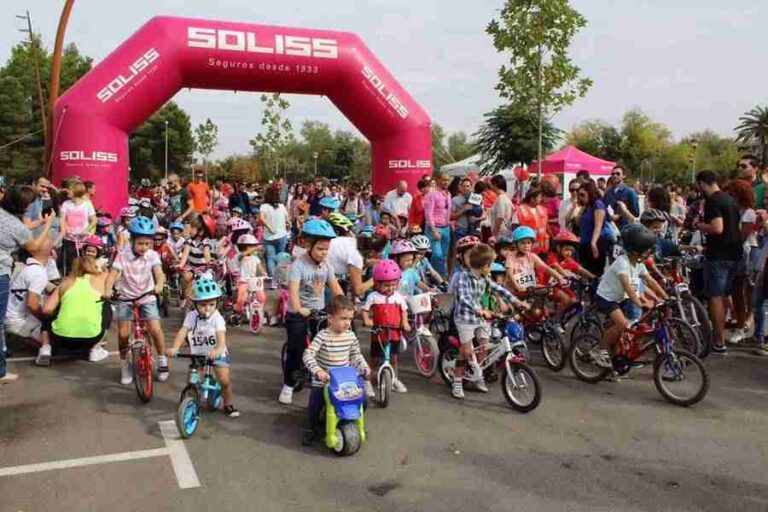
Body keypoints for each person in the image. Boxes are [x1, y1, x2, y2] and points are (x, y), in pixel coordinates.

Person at [279, 219, 343, 405]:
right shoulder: (299, 265)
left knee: (324, 346)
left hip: (320, 311)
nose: (324, 253)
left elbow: (336, 288)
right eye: (320, 249)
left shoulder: (326, 266)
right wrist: (299, 309)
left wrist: (346, 306)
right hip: (298, 312)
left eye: (326, 249)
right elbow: (293, 292)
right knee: (296, 349)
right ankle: (288, 384)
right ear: (308, 245)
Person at [452, 243, 527, 399]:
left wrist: (516, 301)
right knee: (466, 352)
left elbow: (499, 289)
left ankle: (477, 376)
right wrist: (478, 309)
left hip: (481, 317)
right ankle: (457, 380)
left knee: (484, 348)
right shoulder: (463, 277)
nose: (491, 267)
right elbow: (464, 297)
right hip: (465, 318)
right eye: (489, 264)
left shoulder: (484, 277)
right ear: (482, 265)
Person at [592, 225, 668, 373]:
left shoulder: (637, 263)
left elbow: (650, 280)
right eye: (647, 250)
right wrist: (639, 302)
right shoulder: (622, 263)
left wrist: (665, 296)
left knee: (628, 328)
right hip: (606, 297)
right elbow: (627, 286)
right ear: (635, 251)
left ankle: (616, 352)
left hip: (619, 297)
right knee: (622, 323)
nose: (649, 253)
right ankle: (599, 350)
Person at [0, 186, 55, 381]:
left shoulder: (5, 216)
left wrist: (39, 222)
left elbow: (20, 231)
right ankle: (1, 369)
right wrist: (48, 225)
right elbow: (32, 245)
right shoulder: (38, 272)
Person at [301, 295, 370, 446]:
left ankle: (353, 423)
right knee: (315, 404)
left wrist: (363, 367)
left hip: (345, 381)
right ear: (331, 319)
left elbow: (355, 355)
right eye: (343, 318)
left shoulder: (350, 336)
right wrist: (318, 371)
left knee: (363, 401)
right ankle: (312, 429)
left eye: (350, 319)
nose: (347, 323)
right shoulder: (323, 336)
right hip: (325, 381)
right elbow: (308, 355)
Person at [166, 278, 240, 418]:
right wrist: (175, 347)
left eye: (212, 304)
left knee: (224, 381)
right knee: (193, 378)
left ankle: (228, 404)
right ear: (195, 304)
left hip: (217, 353)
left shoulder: (217, 318)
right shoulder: (191, 316)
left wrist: (218, 350)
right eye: (203, 305)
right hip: (198, 353)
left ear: (217, 303)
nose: (208, 308)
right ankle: (190, 398)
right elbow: (183, 331)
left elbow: (220, 335)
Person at [108, 216, 168, 385]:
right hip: (125, 297)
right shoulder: (122, 255)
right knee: (123, 334)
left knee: (155, 329)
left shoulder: (152, 255)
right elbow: (112, 275)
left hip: (147, 295)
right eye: (141, 243)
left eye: (148, 244)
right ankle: (125, 363)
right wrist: (107, 290)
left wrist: (160, 284)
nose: (144, 247)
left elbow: (159, 273)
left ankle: (162, 360)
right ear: (132, 240)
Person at [694, 170, 743, 354]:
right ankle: (731, 331)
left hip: (719, 255)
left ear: (702, 183)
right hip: (735, 254)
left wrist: (699, 226)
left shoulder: (713, 201)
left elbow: (717, 227)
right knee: (725, 295)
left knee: (715, 297)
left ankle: (719, 340)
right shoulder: (730, 199)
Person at [42, 255, 111, 361]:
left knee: (48, 313)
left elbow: (46, 309)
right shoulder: (101, 280)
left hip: (60, 338)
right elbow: (114, 274)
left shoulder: (66, 283)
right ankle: (95, 348)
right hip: (91, 338)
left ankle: (45, 348)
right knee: (106, 306)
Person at [361, 259, 411, 397]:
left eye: (393, 285)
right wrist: (367, 319)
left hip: (394, 332)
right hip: (378, 332)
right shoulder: (373, 297)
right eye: (386, 285)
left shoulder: (398, 297)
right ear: (377, 284)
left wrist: (405, 323)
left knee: (394, 358)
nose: (390, 288)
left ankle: (393, 378)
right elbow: (365, 310)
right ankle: (367, 381)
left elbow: (404, 311)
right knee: (375, 359)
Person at [6, 237, 57, 366]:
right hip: (17, 320)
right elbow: (32, 304)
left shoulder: (26, 267)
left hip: (9, 314)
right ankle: (25, 338)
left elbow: (50, 287)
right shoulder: (38, 273)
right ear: (52, 253)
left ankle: (16, 336)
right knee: (54, 336)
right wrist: (45, 317)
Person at [327, 213, 372, 297]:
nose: (349, 233)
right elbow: (357, 290)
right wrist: (376, 278)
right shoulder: (356, 256)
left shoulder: (350, 241)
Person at [59, 179, 97, 275]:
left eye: (69, 189)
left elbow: (94, 220)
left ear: (75, 191)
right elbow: (62, 219)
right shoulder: (66, 204)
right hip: (69, 239)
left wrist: (86, 230)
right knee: (68, 263)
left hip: (83, 240)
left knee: (82, 262)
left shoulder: (87, 204)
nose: (67, 191)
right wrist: (66, 228)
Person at [578, 181, 616, 277]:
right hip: (585, 244)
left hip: (597, 243)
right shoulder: (587, 207)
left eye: (582, 195)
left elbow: (598, 226)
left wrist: (593, 243)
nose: (580, 197)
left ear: (590, 193)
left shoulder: (598, 204)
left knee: (595, 273)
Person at [423, 172, 453, 276]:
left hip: (446, 228)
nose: (446, 182)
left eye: (448, 180)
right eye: (444, 180)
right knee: (437, 255)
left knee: (444, 255)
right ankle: (439, 278)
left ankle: (438, 276)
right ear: (438, 180)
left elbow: (448, 212)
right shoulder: (431, 195)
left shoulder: (448, 194)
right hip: (434, 228)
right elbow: (428, 213)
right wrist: (434, 230)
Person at [260, 187, 290, 281]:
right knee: (280, 256)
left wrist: (269, 228)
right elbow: (288, 219)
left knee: (270, 258)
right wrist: (288, 225)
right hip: (282, 235)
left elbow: (261, 218)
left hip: (269, 237)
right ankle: (279, 278)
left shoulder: (264, 206)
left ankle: (273, 279)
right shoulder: (281, 206)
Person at [512, 187, 550, 255]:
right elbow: (515, 228)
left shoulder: (543, 209)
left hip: (541, 247)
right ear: (532, 198)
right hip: (526, 246)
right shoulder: (520, 210)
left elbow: (546, 226)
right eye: (539, 197)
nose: (541, 199)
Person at [603, 165, 639, 230]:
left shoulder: (630, 192)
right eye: (613, 174)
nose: (615, 176)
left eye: (618, 174)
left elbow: (636, 213)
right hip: (610, 228)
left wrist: (620, 216)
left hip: (625, 229)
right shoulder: (608, 193)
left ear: (624, 176)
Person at [488, 174, 513, 238]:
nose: (490, 186)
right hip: (504, 230)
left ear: (495, 184)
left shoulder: (501, 198)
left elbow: (500, 217)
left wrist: (494, 232)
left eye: (491, 184)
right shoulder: (505, 197)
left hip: (500, 232)